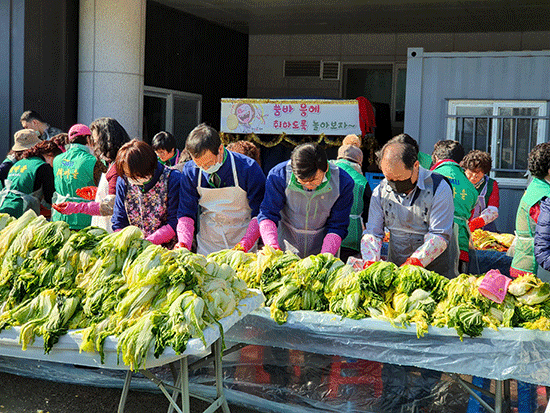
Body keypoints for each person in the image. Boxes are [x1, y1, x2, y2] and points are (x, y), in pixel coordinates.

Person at [361, 134, 458, 278]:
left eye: (400, 179)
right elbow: (373, 233)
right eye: (390, 179)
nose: (394, 184)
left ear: (416, 166)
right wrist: (371, 264)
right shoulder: (381, 191)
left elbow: (439, 236)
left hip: (436, 272)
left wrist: (412, 264)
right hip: (396, 269)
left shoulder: (439, 187)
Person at [176, 123, 266, 255]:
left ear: (220, 149)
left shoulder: (247, 168)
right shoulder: (190, 171)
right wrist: (184, 243)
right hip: (209, 242)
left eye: (208, 163)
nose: (205, 169)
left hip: (243, 239)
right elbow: (186, 212)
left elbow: (260, 212)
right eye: (199, 165)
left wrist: (246, 242)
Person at [258, 142, 354, 258]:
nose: (309, 185)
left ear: (326, 168)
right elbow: (268, 214)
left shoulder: (342, 182)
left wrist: (325, 257)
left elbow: (338, 225)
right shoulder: (279, 175)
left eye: (314, 180)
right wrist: (272, 246)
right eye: (302, 181)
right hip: (285, 247)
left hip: (323, 247)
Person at [52, 117, 130, 232]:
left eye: (96, 140)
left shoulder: (117, 167)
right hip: (97, 222)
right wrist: (97, 192)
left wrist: (76, 207)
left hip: (112, 227)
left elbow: (111, 205)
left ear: (106, 140)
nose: (94, 145)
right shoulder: (108, 163)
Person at [111, 140, 180, 246]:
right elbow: (119, 218)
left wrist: (147, 242)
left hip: (166, 250)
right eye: (128, 174)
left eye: (136, 175)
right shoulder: (123, 181)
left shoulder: (172, 178)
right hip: (135, 248)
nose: (132, 179)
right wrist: (123, 241)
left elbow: (175, 221)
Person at [430, 140, 477, 273]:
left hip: (432, 244)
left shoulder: (428, 177)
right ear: (461, 162)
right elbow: (469, 217)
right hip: (460, 245)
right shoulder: (471, 187)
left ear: (436, 158)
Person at [50, 124, 104, 230]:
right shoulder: (93, 161)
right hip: (84, 218)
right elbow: (102, 188)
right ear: (88, 139)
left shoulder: (57, 159)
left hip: (60, 215)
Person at [0, 133, 66, 218]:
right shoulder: (43, 166)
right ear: (50, 155)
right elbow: (50, 197)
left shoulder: (18, 163)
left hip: (4, 205)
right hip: (22, 210)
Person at [511, 142, 550, 280]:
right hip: (532, 266)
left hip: (527, 261)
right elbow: (545, 228)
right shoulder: (542, 195)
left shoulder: (537, 185)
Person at [334, 144, 371, 261]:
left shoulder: (327, 174)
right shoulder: (361, 181)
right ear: (359, 162)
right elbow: (368, 214)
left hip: (326, 234)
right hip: (351, 236)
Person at [461, 150, 500, 232]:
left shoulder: (491, 185)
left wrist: (476, 223)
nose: (473, 178)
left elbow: (493, 210)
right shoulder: (459, 182)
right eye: (470, 174)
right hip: (461, 226)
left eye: (477, 175)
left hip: (484, 229)